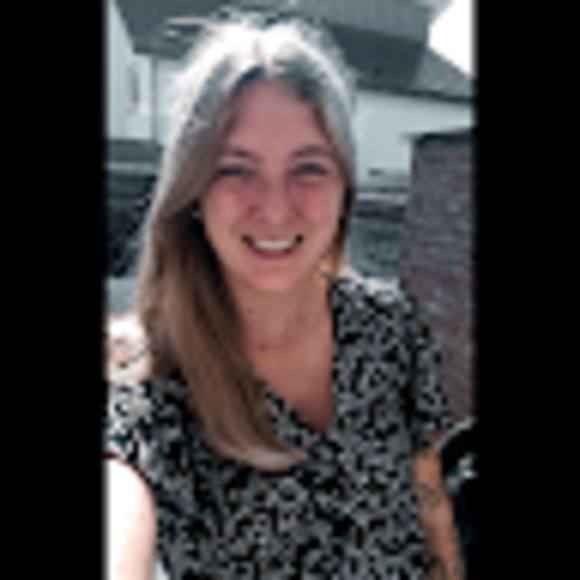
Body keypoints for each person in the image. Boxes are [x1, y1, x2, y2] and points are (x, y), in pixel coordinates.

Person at [104, 9, 464, 579]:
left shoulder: (391, 325)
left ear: (345, 189)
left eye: (309, 168)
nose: (274, 209)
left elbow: (430, 499)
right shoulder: (145, 378)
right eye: (235, 169)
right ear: (193, 193)